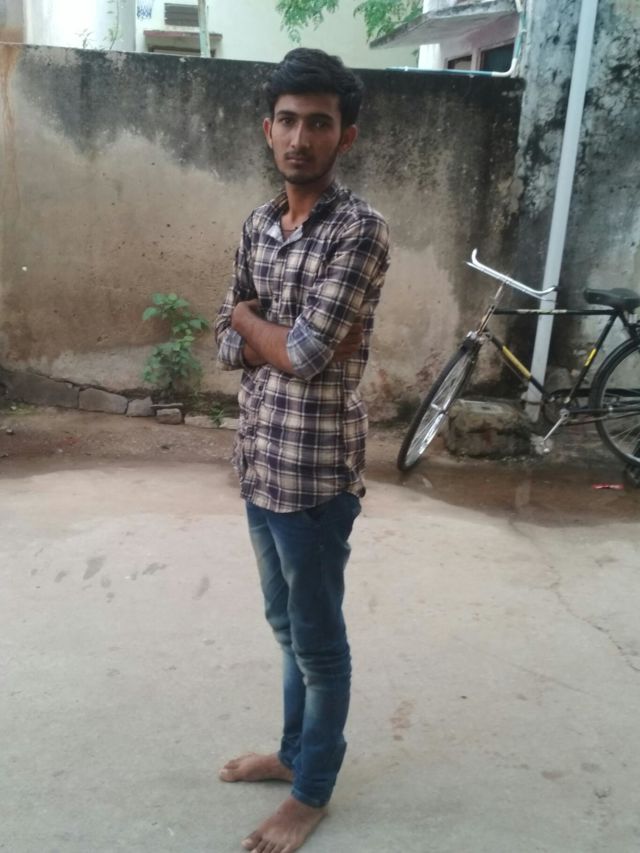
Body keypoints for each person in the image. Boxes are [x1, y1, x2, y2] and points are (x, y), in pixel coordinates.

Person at [214, 47, 389, 853]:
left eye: (318, 123)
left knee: (318, 643)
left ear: (344, 136)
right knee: (285, 624)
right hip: (260, 461)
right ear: (268, 128)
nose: (299, 138)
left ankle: (311, 789)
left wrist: (256, 325)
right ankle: (292, 752)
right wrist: (261, 332)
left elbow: (309, 353)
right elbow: (228, 340)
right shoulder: (258, 224)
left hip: (316, 477)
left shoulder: (359, 230)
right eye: (287, 120)